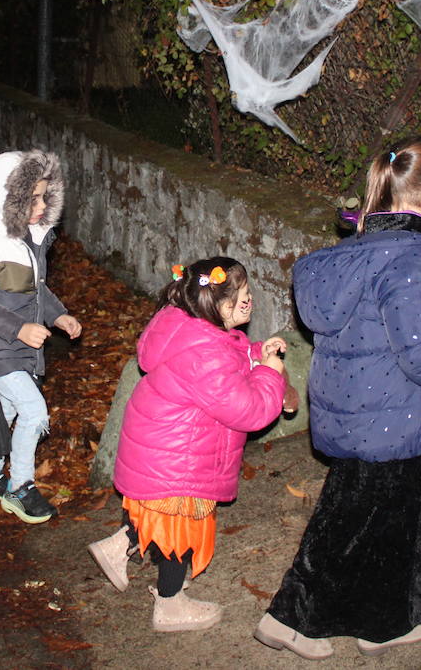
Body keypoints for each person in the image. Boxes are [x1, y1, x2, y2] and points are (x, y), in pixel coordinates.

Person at [254, 136, 421, 660]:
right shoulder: (418, 260)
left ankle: (403, 610)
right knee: (357, 523)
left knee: (388, 519)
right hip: (397, 416)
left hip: (372, 412)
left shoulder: (359, 251)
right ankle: (297, 618)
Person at [91, 257, 289, 632]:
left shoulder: (186, 328)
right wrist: (270, 375)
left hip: (158, 448)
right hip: (179, 459)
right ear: (222, 305)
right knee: (179, 528)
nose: (250, 302)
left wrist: (255, 353)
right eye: (245, 296)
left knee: (155, 510)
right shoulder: (206, 354)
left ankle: (118, 547)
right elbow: (247, 410)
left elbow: (229, 356)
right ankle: (170, 604)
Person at [0, 149, 82, 524]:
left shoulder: (27, 242)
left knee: (6, 410)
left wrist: (58, 315)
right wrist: (19, 328)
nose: (41, 205)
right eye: (32, 198)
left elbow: (37, 291)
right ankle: (20, 486)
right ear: (6, 198)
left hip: (15, 348)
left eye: (46, 196)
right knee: (33, 411)